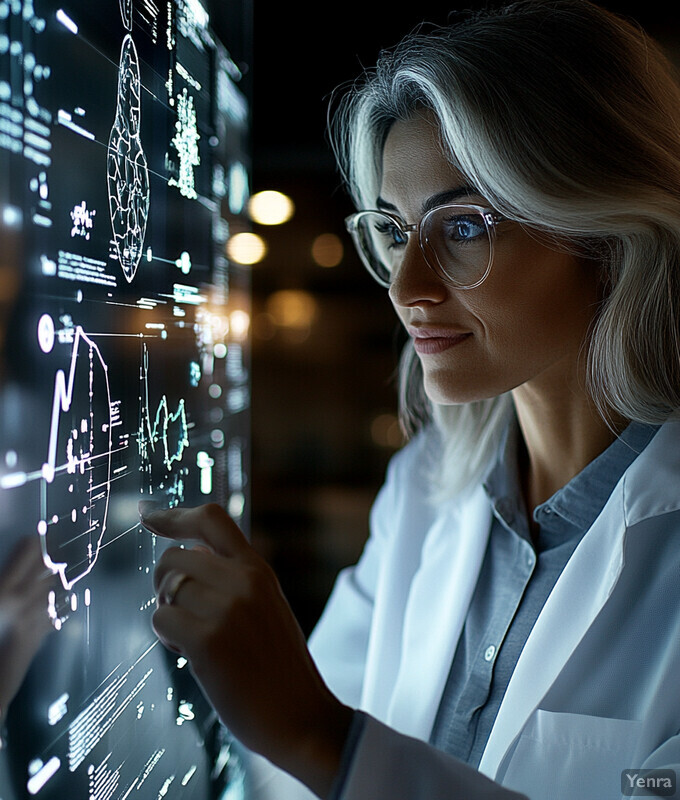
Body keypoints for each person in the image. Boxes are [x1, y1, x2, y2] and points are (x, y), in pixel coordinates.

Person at [139, 1, 680, 797]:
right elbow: (279, 771)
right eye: (393, 229)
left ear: (602, 231)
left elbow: (312, 735)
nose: (406, 285)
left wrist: (319, 737)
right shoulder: (425, 489)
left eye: (461, 227)